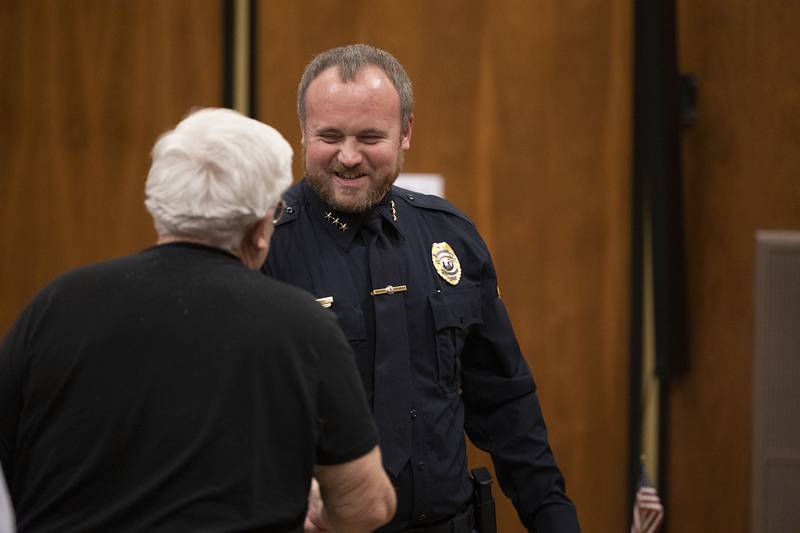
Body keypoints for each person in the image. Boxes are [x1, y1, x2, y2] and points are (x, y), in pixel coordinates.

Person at [0, 108, 395, 533]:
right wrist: (316, 515)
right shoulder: (301, 325)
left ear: (159, 206)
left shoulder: (55, 305)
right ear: (261, 227)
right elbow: (366, 503)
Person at [264, 44, 581, 532]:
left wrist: (554, 520)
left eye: (370, 136)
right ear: (303, 131)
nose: (348, 157)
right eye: (330, 136)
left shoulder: (450, 235)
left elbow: (505, 404)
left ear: (406, 132)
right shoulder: (262, 247)